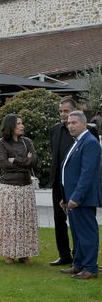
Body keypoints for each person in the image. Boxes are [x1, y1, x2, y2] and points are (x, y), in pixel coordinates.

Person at [48, 98, 99, 266]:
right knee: (63, 222)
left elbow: (88, 168)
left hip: (79, 189)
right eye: (61, 112)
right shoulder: (55, 130)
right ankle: (69, 258)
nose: (64, 116)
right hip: (61, 186)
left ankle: (86, 263)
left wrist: (77, 194)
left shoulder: (88, 136)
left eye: (67, 112)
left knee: (83, 227)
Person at [59, 110, 102, 279]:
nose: (70, 126)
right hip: (72, 197)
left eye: (74, 122)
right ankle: (78, 265)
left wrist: (76, 197)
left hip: (82, 198)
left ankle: (90, 268)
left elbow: (87, 174)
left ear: (84, 124)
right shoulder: (78, 141)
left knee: (87, 233)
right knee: (77, 234)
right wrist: (66, 196)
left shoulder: (90, 142)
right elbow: (69, 172)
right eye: (69, 123)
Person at [0, 114, 39, 265]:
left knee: (25, 222)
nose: (22, 125)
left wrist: (16, 160)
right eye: (19, 123)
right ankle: (9, 254)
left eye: (22, 123)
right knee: (9, 222)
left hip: (26, 187)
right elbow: (4, 164)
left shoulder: (27, 142)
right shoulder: (2, 143)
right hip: (8, 188)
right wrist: (26, 161)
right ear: (11, 126)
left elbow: (34, 161)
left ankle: (24, 254)